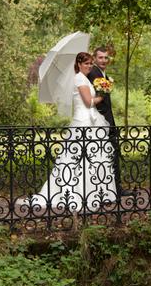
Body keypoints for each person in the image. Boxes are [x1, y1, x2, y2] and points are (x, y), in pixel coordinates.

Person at [22, 52, 116, 211]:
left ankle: (96, 192)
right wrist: (103, 93)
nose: (89, 66)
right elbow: (88, 102)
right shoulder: (79, 78)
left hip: (91, 121)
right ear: (79, 64)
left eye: (90, 63)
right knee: (80, 159)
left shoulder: (84, 78)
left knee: (92, 158)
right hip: (84, 122)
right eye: (86, 63)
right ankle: (82, 194)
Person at [86, 46, 135, 198]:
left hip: (107, 121)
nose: (104, 60)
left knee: (110, 155)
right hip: (100, 122)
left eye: (106, 57)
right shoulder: (93, 74)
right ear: (94, 59)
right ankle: (112, 189)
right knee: (107, 156)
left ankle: (112, 188)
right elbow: (94, 100)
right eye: (100, 57)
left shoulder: (103, 75)